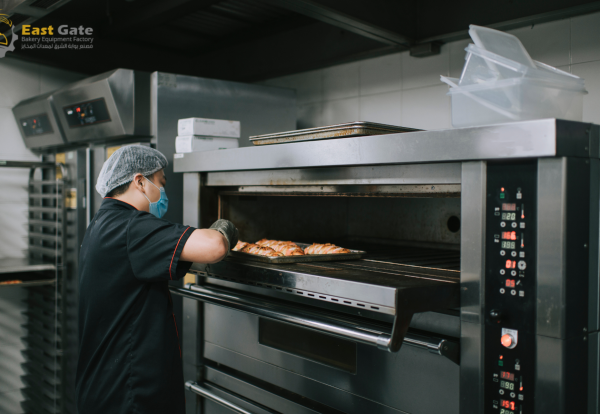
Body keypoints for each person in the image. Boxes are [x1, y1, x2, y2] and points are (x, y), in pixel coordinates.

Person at [76, 145, 238, 414]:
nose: (164, 192)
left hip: (105, 385)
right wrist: (225, 227)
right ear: (140, 181)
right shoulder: (131, 227)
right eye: (161, 182)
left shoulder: (103, 223)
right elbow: (214, 246)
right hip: (128, 395)